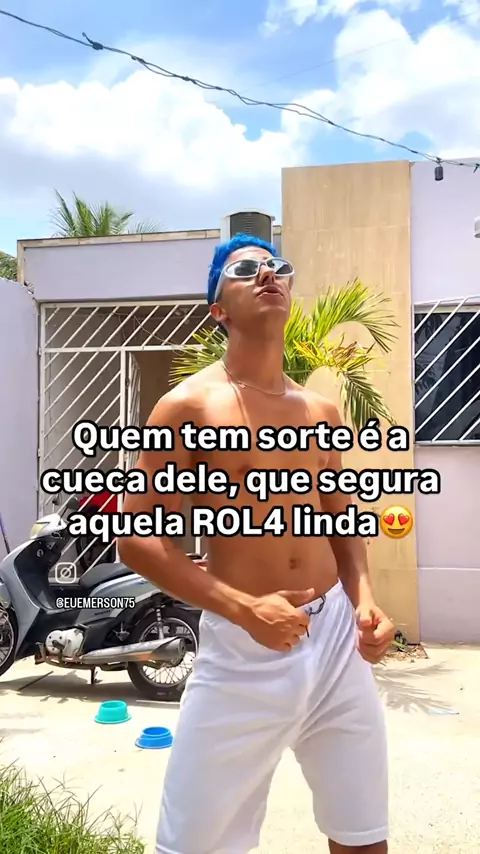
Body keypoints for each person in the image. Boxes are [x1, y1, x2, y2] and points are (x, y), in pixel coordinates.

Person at [119, 233, 394, 854]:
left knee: (363, 838)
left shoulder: (322, 412)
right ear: (218, 308)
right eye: (246, 269)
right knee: (195, 845)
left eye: (279, 267)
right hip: (243, 647)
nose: (268, 275)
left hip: (335, 643)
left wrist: (365, 601)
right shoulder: (187, 407)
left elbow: (342, 521)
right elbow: (137, 541)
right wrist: (245, 609)